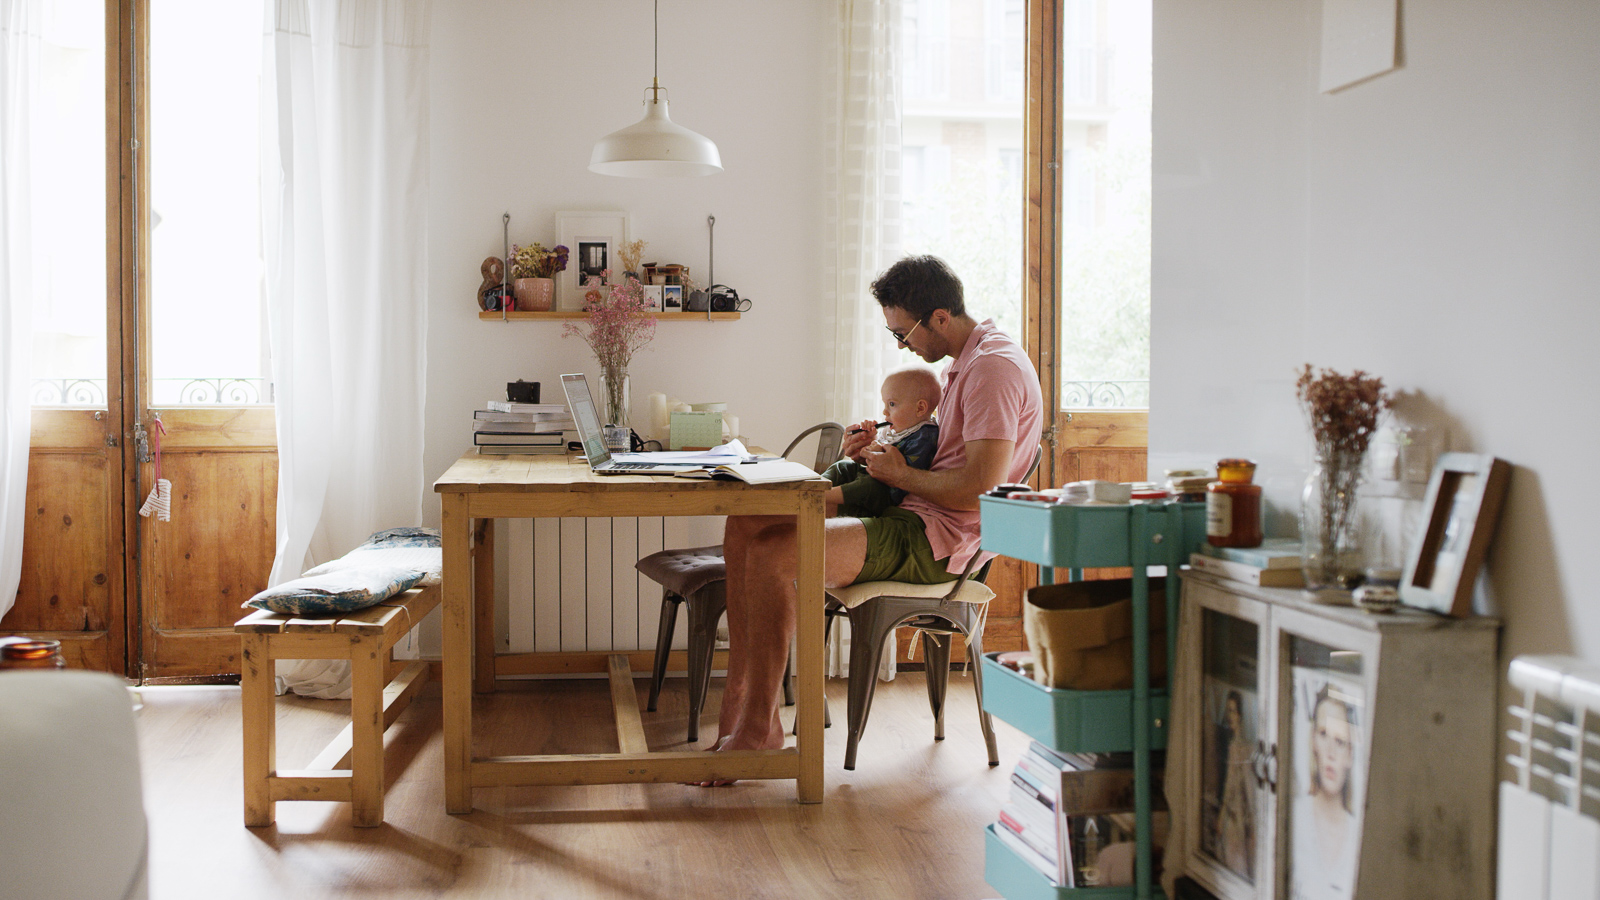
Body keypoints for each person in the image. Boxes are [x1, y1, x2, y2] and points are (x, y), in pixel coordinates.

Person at [701, 254, 1043, 772]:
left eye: (903, 333)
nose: (902, 345)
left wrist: (897, 475)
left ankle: (756, 729)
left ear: (941, 318)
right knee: (747, 521)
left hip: (938, 542)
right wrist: (879, 451)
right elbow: (937, 457)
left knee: (775, 555)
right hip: (911, 517)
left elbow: (981, 490)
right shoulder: (963, 364)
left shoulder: (992, 369)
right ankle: (743, 715)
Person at [823, 365, 942, 518]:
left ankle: (820, 496)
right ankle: (813, 486)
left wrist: (878, 451)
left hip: (888, 493)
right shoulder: (901, 427)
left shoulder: (925, 436)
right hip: (874, 478)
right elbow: (882, 448)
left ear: (920, 408)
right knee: (843, 467)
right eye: (885, 404)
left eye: (892, 404)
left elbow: (909, 472)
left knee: (867, 486)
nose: (885, 412)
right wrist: (871, 439)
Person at [1291, 684, 1360, 900]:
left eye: (1339, 742)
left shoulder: (1359, 835)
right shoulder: (1292, 816)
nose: (1330, 752)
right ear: (1313, 741)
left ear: (1349, 754)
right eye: (1323, 734)